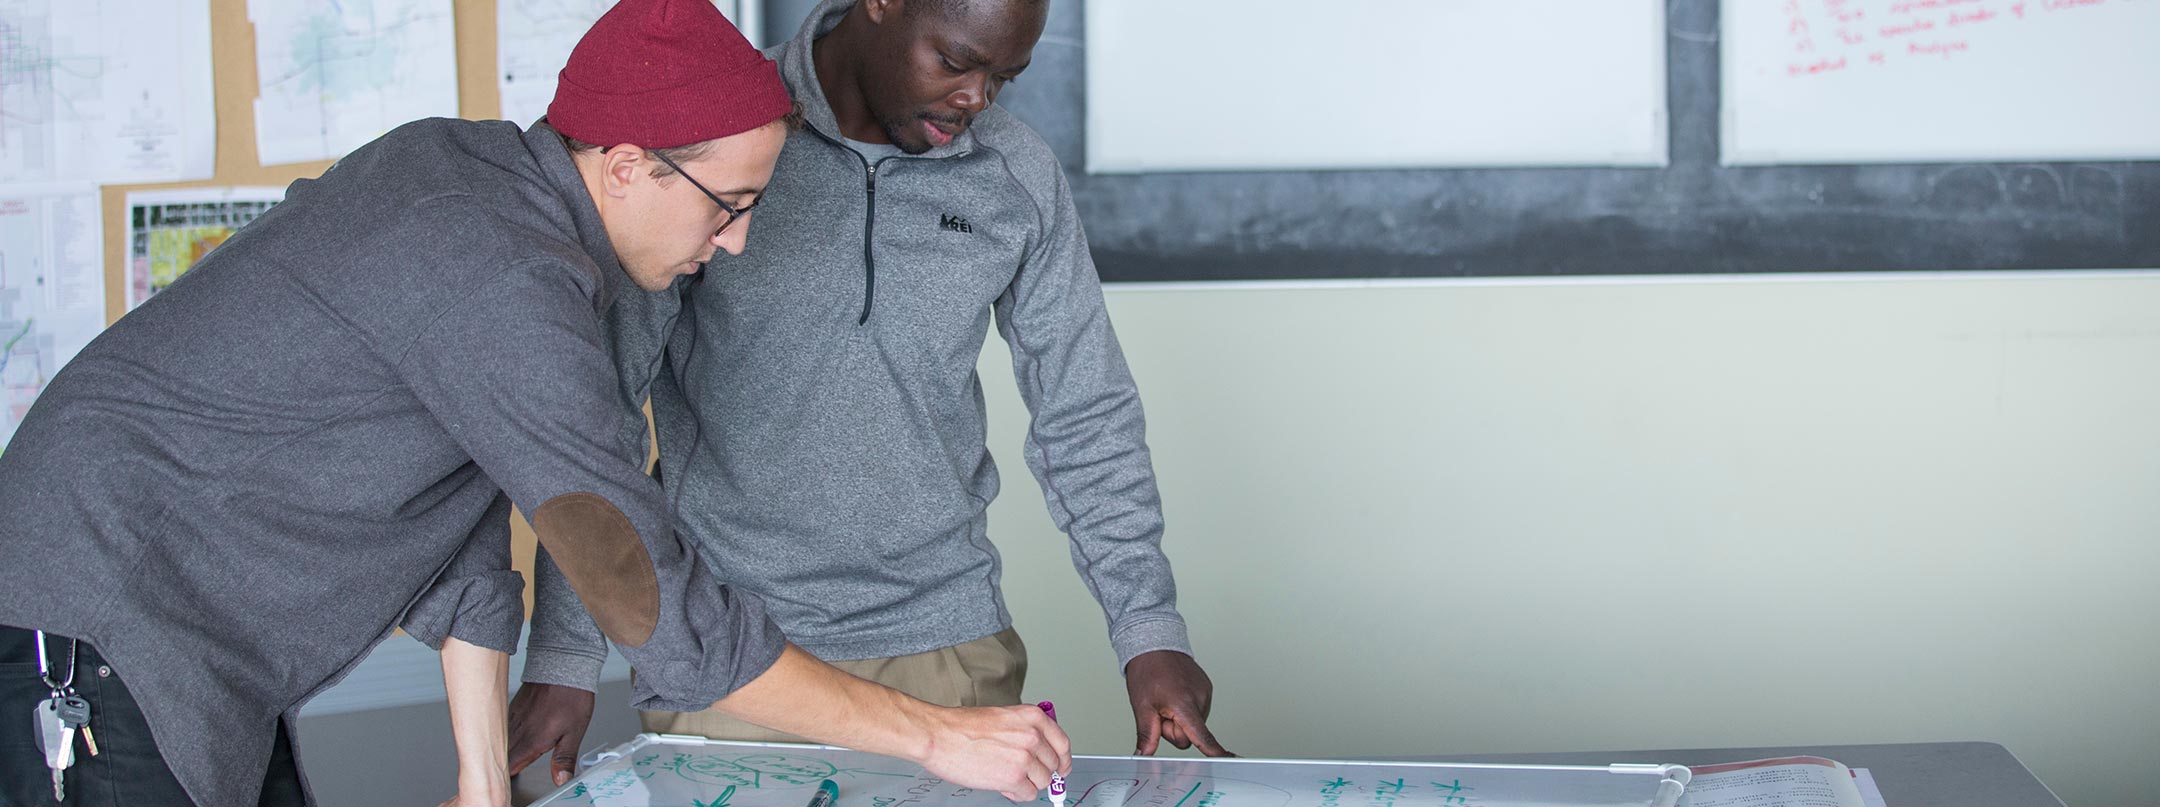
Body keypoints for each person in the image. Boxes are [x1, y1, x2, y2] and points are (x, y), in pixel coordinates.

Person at [0, 1, 1068, 805]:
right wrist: (938, 738)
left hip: (201, 647)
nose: (736, 242)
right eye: (730, 207)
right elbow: (645, 594)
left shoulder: (482, 190)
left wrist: (477, 774)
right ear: (626, 168)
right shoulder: (500, 272)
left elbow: (464, 530)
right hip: (96, 619)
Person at [508, 0, 1228, 785]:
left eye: (1004, 77)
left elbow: (1085, 413)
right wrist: (566, 650)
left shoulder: (1014, 174)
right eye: (956, 62)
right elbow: (601, 414)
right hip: (731, 655)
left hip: (950, 649)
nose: (976, 100)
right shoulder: (725, 140)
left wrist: (1148, 628)